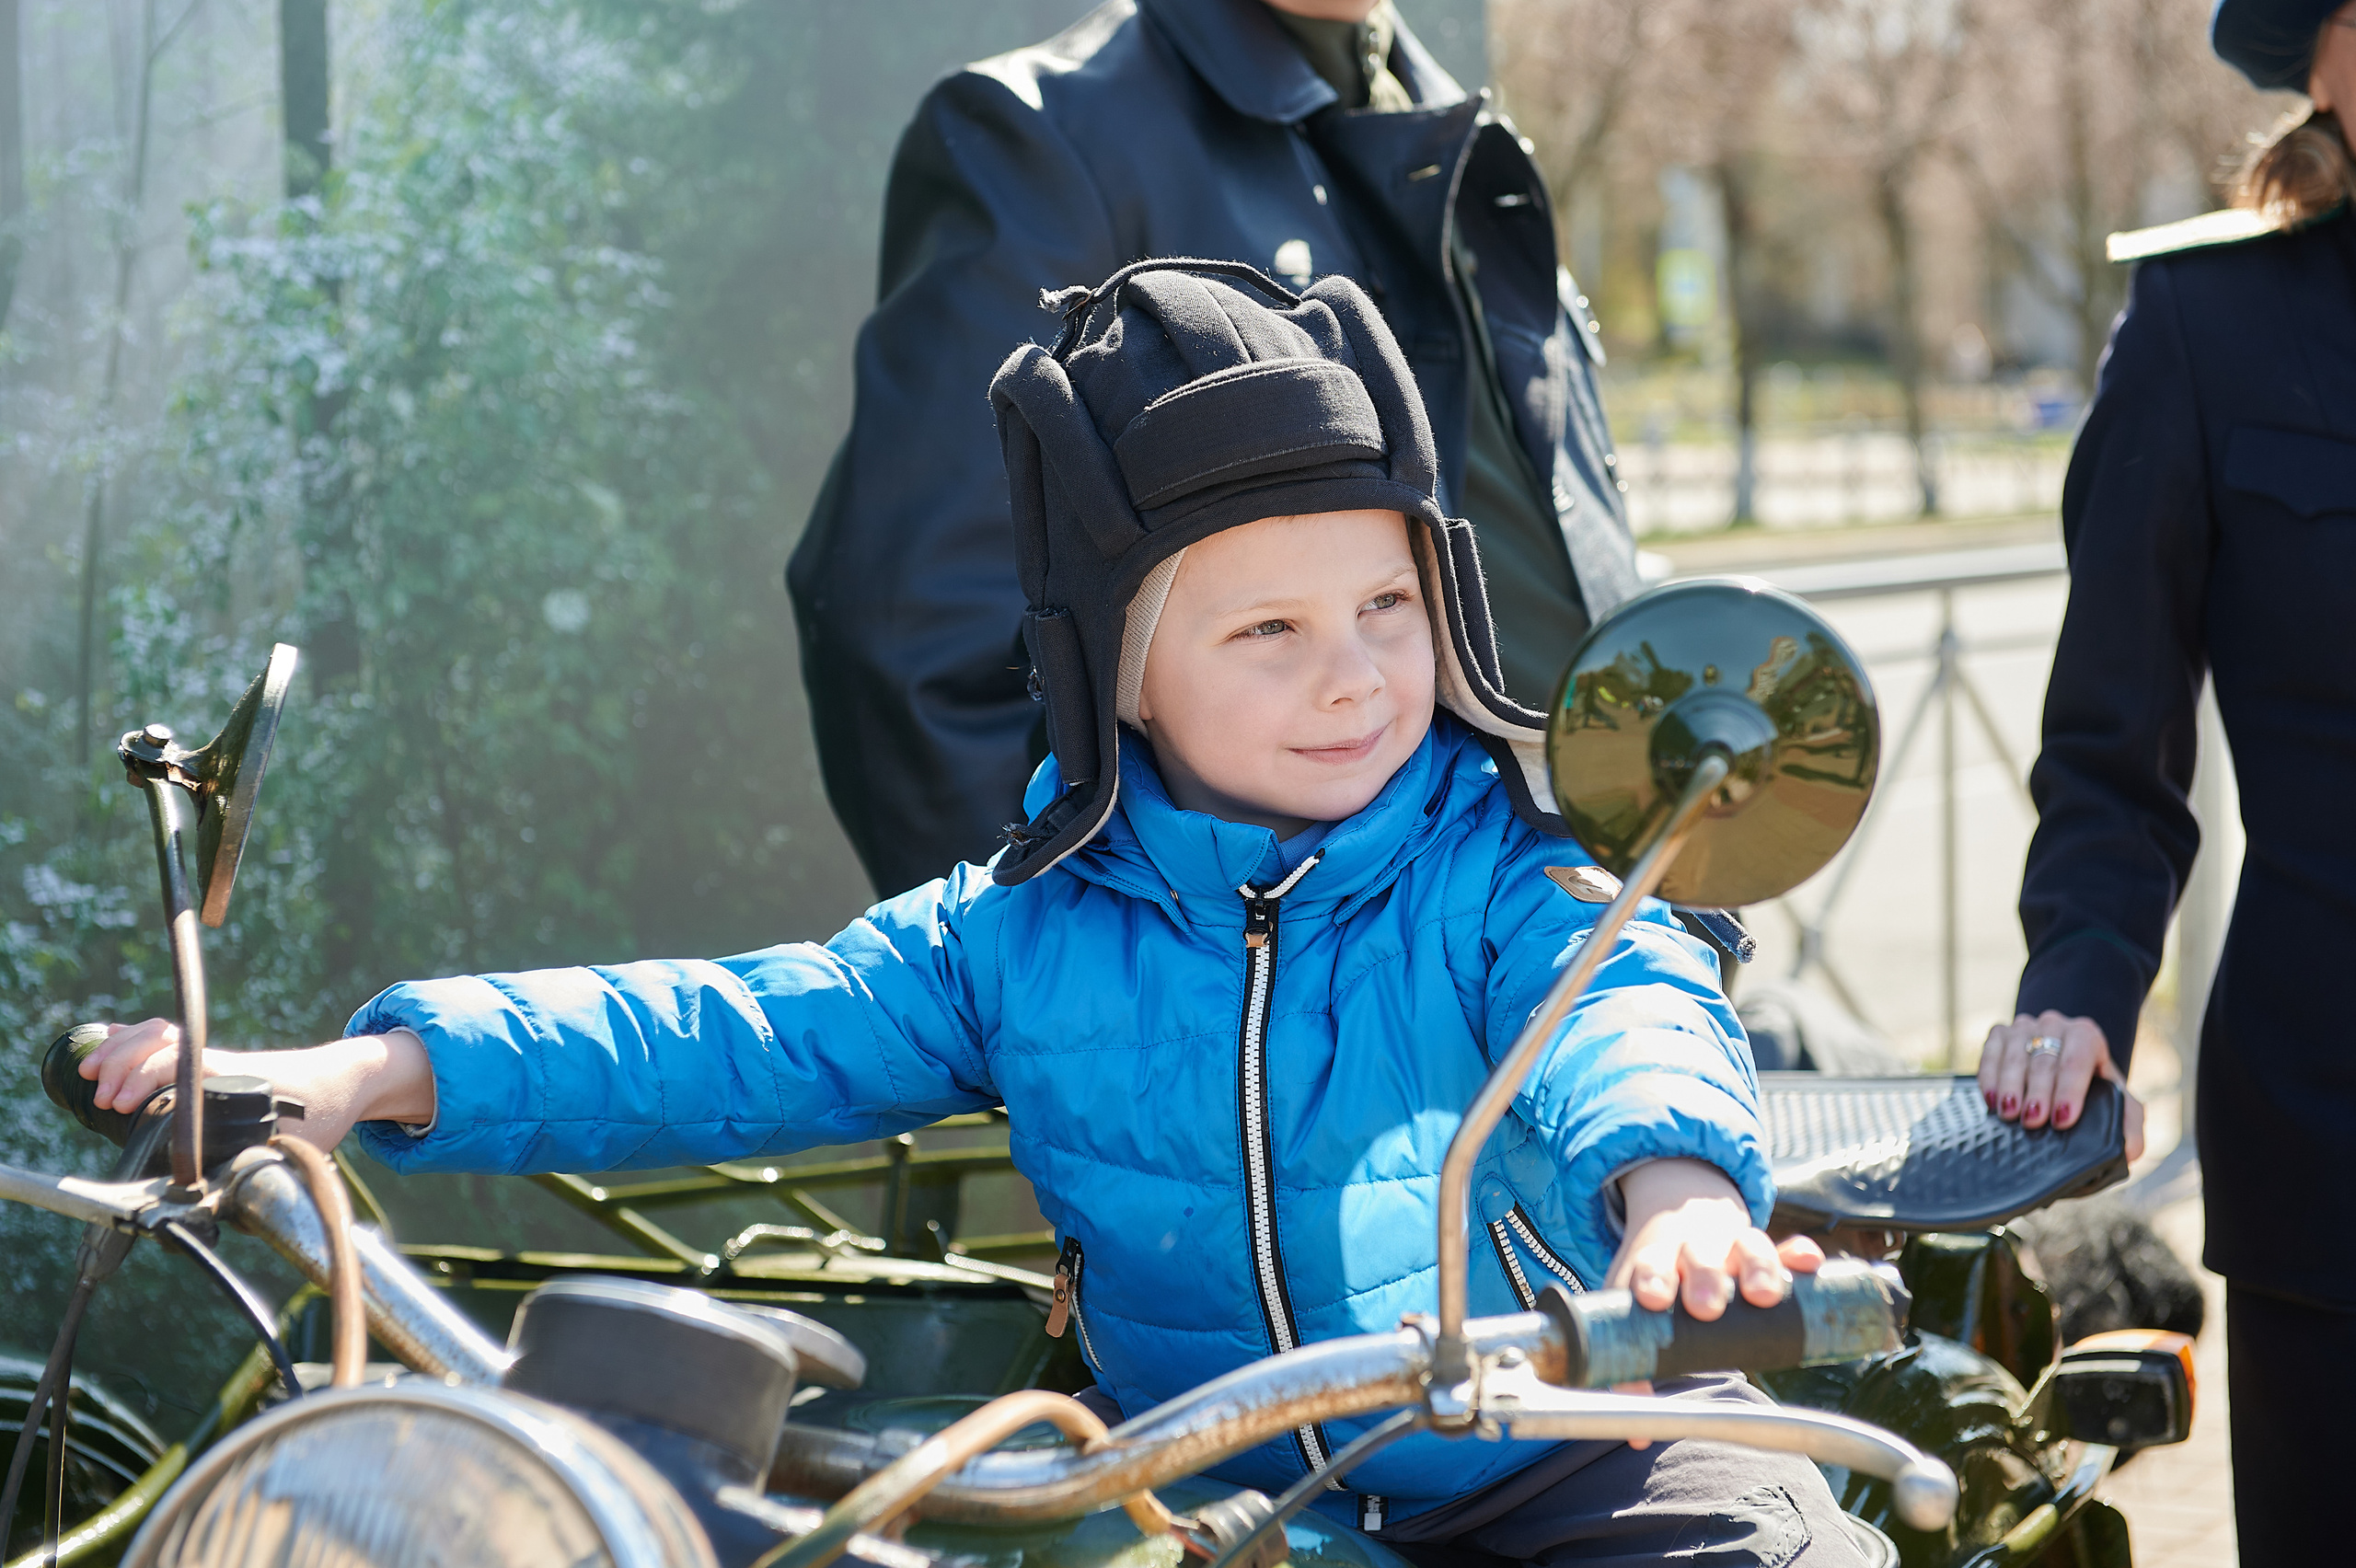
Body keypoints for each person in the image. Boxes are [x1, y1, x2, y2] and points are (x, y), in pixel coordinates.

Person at [87, 264, 1857, 1565]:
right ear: (1123, 673)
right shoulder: (1022, 927)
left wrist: (1678, 1194)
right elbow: (746, 1025)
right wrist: (368, 1071)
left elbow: (1621, 991)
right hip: (1224, 1489)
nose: (1353, 674)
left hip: (1574, 1438)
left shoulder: (1505, 858)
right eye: (1268, 629)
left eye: (1386, 605)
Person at [789, 0, 1638, 895]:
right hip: (1329, 954)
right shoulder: (1051, 134)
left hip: (1620, 896)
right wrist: (1058, 958)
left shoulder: (1455, 123)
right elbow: (914, 639)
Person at [1977, 3, 2356, 1560]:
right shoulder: (2210, 324)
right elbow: (2114, 747)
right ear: (2321, 52)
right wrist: (2079, 989)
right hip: (2332, 1131)